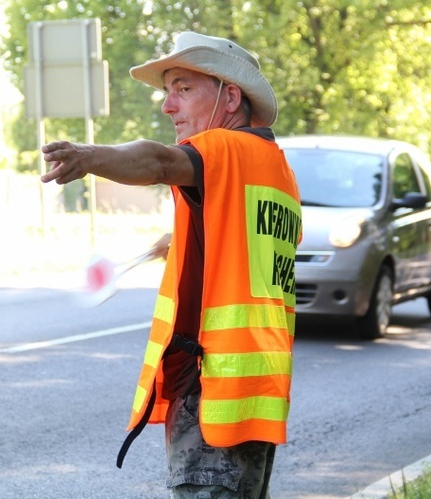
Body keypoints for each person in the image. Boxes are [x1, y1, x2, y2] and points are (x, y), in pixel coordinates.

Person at [42, 31, 302, 499]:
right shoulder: (276, 169)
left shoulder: (223, 149)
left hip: (213, 393)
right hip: (255, 394)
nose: (167, 106)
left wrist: (88, 156)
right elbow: (243, 255)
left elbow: (158, 162)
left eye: (183, 88)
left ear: (230, 96)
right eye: (167, 92)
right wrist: (182, 240)